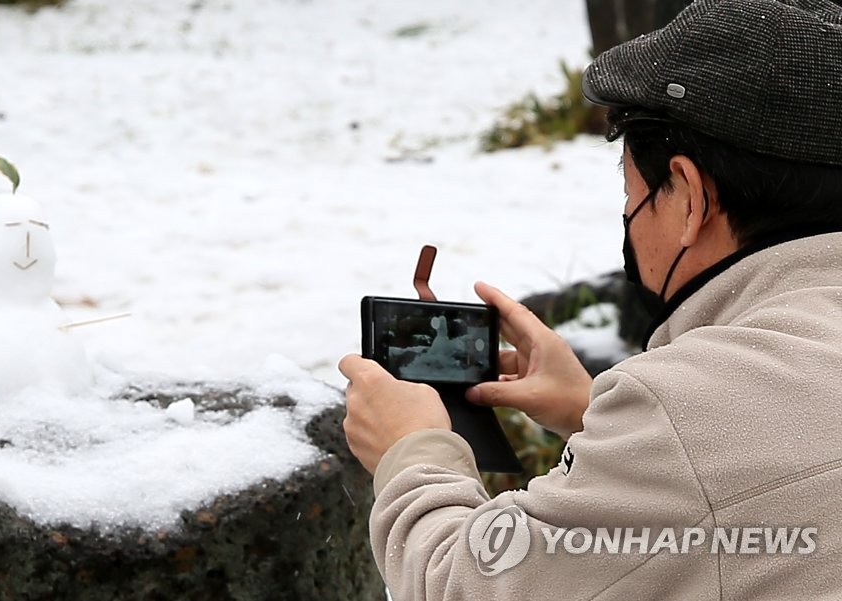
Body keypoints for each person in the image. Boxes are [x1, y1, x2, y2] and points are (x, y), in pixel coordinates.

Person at [338, 1, 842, 598]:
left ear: (689, 195)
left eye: (632, 193)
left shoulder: (689, 410)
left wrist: (411, 455)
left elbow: (471, 583)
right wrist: (596, 414)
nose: (629, 218)